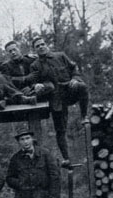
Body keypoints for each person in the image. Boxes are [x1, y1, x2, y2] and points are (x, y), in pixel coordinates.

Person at [29, 37, 90, 165]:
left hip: (69, 89)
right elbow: (33, 82)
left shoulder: (60, 56)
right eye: (37, 46)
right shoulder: (35, 65)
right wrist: (37, 86)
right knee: (60, 130)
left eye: (42, 44)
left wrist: (75, 78)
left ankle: (84, 116)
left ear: (47, 45)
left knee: (82, 86)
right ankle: (66, 158)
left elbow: (74, 68)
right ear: (34, 50)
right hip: (55, 98)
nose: (41, 47)